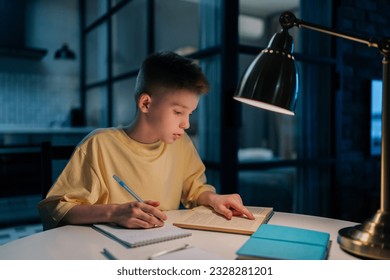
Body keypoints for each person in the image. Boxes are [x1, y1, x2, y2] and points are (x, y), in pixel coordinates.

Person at [38, 51, 254, 230]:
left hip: (161, 246)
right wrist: (115, 212)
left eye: (190, 113)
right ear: (146, 104)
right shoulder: (99, 145)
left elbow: (194, 188)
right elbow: (56, 209)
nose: (186, 124)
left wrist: (214, 199)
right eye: (178, 112)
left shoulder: (181, 143)